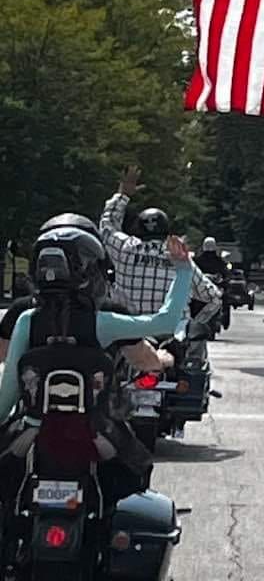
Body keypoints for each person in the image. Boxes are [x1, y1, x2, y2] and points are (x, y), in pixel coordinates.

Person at [0, 225, 193, 509]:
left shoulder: (27, 321)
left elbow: (7, 396)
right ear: (91, 273)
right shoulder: (103, 321)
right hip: (98, 430)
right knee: (135, 475)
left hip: (32, 432)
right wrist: (183, 270)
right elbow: (164, 323)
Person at [0, 212, 174, 373]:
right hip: (97, 404)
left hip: (32, 402)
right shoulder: (111, 313)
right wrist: (163, 359)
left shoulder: (22, 312)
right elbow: (144, 360)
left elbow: (4, 355)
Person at [99, 166, 222, 326]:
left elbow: (107, 226)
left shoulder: (125, 249)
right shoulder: (179, 257)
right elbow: (213, 297)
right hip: (170, 339)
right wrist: (194, 326)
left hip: (128, 335)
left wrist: (123, 195)